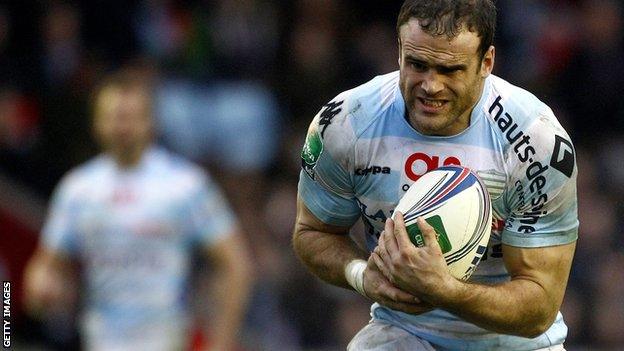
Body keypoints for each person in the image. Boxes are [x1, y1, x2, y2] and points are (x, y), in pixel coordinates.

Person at [293, 1, 578, 350]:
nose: (430, 86)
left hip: (518, 345)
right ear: (399, 51)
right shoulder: (345, 123)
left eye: (450, 70)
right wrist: (362, 276)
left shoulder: (535, 143)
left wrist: (444, 290)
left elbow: (539, 308)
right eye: (418, 64)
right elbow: (312, 232)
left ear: (486, 62)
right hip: (404, 333)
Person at [22, 67, 254, 351]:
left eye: (130, 117)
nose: (122, 127)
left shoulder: (185, 185)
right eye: (113, 117)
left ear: (151, 122)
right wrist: (38, 291)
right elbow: (45, 268)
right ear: (96, 122)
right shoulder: (78, 190)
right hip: (100, 341)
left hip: (165, 339)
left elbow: (236, 264)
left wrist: (221, 342)